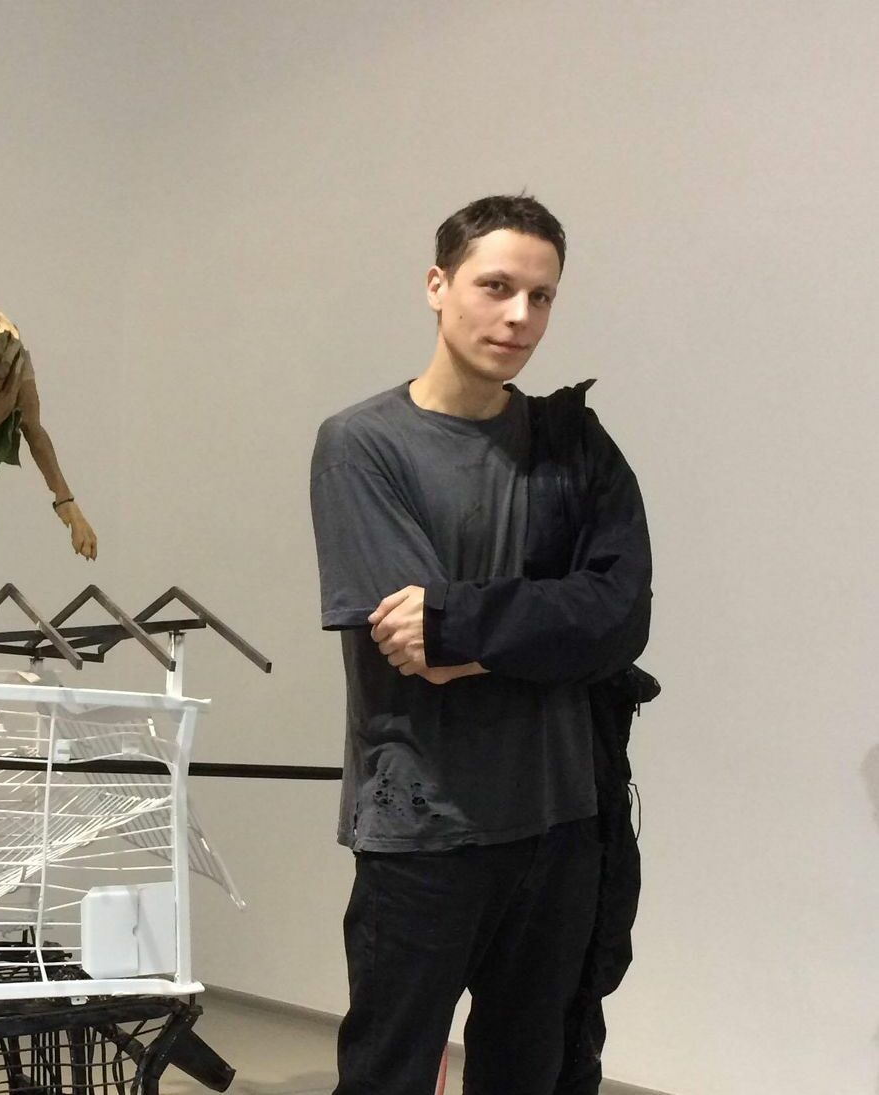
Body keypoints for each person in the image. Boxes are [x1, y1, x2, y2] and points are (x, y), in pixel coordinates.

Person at [309, 194, 653, 1094]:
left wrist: (468, 628)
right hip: (424, 825)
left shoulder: (571, 444)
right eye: (496, 287)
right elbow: (412, 645)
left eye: (541, 297)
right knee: (388, 1075)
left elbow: (620, 617)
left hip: (563, 823)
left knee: (533, 1073)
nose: (519, 316)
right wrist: (553, 629)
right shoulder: (362, 445)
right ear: (438, 284)